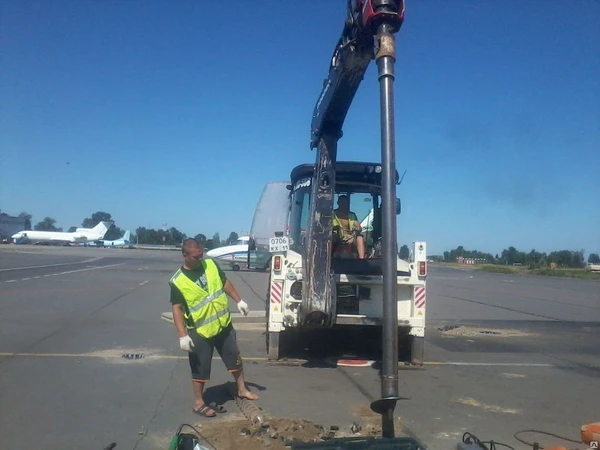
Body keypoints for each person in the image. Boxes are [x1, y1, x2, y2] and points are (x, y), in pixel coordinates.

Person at [169, 238, 259, 418]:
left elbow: (224, 282)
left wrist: (239, 300)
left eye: (201, 255)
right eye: (195, 257)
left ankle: (242, 389)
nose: (199, 259)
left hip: (222, 324)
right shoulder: (177, 281)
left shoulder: (210, 265)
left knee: (235, 358)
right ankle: (198, 402)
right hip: (200, 330)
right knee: (200, 368)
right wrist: (182, 335)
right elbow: (177, 308)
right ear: (185, 255)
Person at [332, 195, 366, 259]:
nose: (344, 204)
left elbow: (359, 228)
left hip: (350, 237)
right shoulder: (332, 214)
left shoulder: (352, 215)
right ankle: (328, 258)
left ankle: (362, 260)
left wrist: (357, 228)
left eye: (345, 203)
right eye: (342, 202)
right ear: (338, 203)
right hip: (336, 237)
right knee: (331, 237)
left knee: (360, 238)